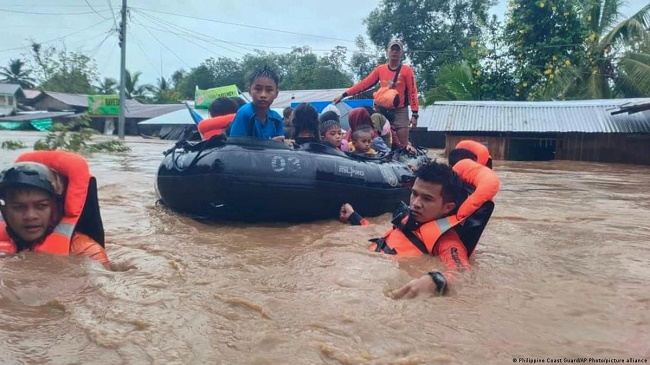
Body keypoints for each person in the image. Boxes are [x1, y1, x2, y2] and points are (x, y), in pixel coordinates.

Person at [339, 158, 499, 298]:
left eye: (427, 199)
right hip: (355, 275)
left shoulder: (447, 242)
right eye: (414, 194)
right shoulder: (408, 219)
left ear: (447, 208)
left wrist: (435, 281)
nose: (415, 203)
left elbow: (463, 274)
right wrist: (354, 217)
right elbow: (384, 237)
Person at [0, 151, 110, 268]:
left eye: (41, 206)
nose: (30, 216)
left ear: (56, 207)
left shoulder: (86, 252)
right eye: (19, 207)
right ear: (4, 210)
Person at [333, 39, 419, 147]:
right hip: (381, 110)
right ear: (387, 51)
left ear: (401, 53)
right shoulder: (380, 69)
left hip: (400, 111)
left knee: (402, 144)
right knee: (376, 139)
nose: (394, 52)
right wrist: (344, 95)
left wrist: (415, 114)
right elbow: (364, 84)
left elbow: (412, 92)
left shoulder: (406, 70)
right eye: (392, 49)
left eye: (398, 49)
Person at [228, 66, 284, 141]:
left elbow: (280, 145)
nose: (263, 95)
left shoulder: (276, 118)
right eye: (258, 89)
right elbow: (236, 147)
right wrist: (271, 144)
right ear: (249, 91)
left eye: (269, 90)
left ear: (276, 93)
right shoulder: (245, 113)